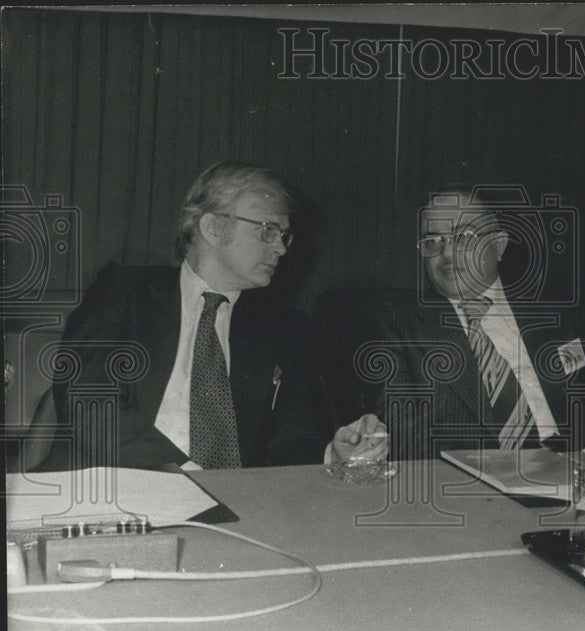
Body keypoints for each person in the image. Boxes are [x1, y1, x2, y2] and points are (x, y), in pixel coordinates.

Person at [41, 161, 386, 471]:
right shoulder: (124, 292)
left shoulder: (281, 327)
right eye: (267, 229)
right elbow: (90, 406)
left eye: (284, 235)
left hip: (232, 507)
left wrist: (333, 453)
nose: (280, 247)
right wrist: (188, 477)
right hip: (109, 488)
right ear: (213, 227)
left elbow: (289, 438)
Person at [373, 188, 585, 459]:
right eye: (433, 241)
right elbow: (400, 434)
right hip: (467, 481)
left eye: (463, 237)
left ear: (498, 246)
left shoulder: (560, 316)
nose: (447, 253)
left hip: (570, 471)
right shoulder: (398, 326)